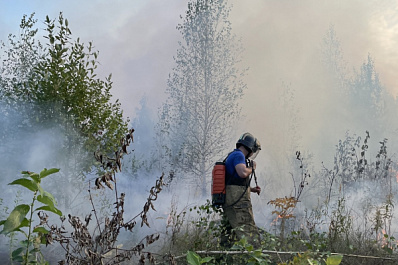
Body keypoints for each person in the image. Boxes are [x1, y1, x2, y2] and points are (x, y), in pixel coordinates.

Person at [221, 132, 262, 248]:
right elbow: (242, 172)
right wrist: (252, 168)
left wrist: (252, 189)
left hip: (231, 199)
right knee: (248, 230)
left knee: (230, 233)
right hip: (238, 203)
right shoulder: (239, 155)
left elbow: (234, 182)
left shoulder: (232, 155)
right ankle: (257, 257)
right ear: (250, 147)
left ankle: (226, 257)